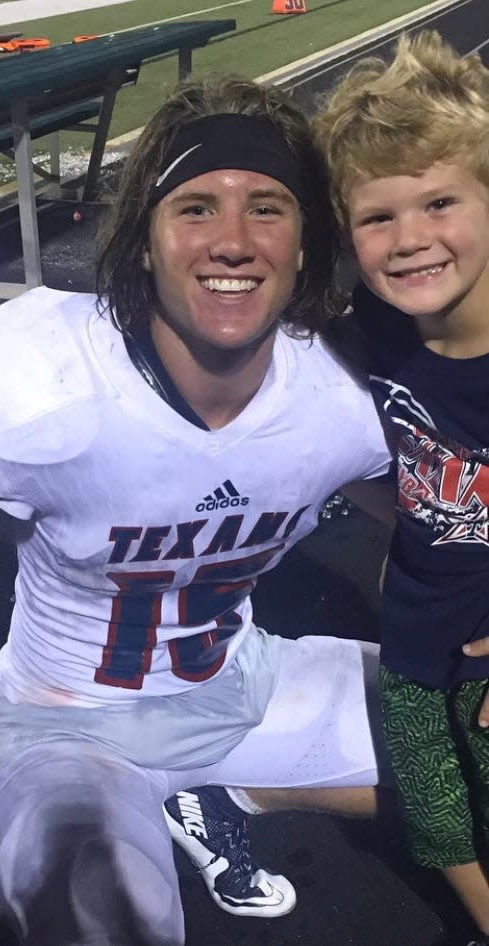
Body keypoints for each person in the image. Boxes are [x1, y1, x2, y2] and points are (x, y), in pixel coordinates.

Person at [0, 75, 394, 946]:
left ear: (305, 243)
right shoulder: (40, 381)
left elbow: (442, 524)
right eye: (195, 208)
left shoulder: (341, 392)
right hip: (65, 727)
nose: (233, 241)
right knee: (102, 922)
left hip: (236, 686)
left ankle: (232, 790)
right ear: (142, 239)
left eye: (267, 207)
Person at [312, 30, 489, 946]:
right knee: (437, 818)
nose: (411, 238)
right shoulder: (372, 333)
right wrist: (410, 520)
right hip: (417, 641)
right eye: (378, 218)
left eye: (441, 202)